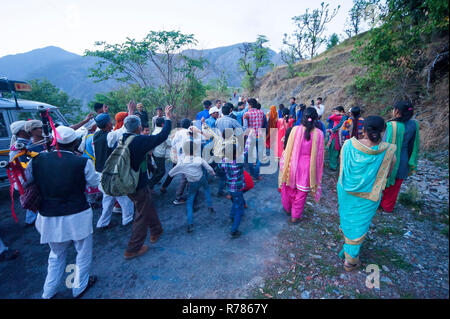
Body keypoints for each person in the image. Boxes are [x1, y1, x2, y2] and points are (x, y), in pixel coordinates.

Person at [25, 125, 100, 298]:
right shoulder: (82, 162)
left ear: (54, 141)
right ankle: (79, 287)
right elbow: (93, 183)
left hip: (49, 216)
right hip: (77, 215)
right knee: (83, 252)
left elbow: (26, 182)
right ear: (75, 143)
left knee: (56, 255)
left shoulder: (36, 161)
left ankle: (48, 292)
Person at [337, 116, 397, 271]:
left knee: (348, 220)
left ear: (363, 129)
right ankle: (350, 260)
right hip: (370, 195)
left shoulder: (349, 144)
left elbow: (342, 166)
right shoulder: (389, 150)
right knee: (360, 224)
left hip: (347, 191)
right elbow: (388, 173)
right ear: (383, 131)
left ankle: (349, 250)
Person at [121, 106, 172, 260]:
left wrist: (130, 114)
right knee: (141, 213)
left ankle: (156, 230)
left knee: (146, 203)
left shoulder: (122, 137)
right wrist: (168, 117)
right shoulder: (139, 141)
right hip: (138, 183)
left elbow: (128, 126)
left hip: (127, 181)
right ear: (138, 128)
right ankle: (132, 248)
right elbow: (162, 136)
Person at [278, 107, 324, 223]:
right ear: (315, 119)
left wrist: (284, 163)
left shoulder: (295, 130)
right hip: (308, 167)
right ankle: (295, 216)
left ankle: (288, 209)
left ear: (302, 117)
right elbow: (320, 156)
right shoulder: (319, 134)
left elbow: (288, 150)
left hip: (293, 164)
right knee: (301, 194)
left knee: (289, 188)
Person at [93, 113, 134, 228]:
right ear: (107, 124)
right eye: (110, 121)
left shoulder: (96, 135)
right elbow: (123, 129)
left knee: (108, 200)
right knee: (125, 199)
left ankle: (102, 223)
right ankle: (128, 220)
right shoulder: (109, 136)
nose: (112, 123)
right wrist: (130, 113)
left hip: (100, 173)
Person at [380, 101, 420, 213]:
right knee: (396, 186)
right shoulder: (414, 124)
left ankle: (379, 204)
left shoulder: (391, 125)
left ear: (397, 111)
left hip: (391, 158)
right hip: (404, 159)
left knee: (384, 181)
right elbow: (414, 143)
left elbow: (384, 143)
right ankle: (388, 207)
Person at [168, 139, 215, 233]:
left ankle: (190, 224)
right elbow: (208, 168)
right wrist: (213, 173)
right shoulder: (198, 159)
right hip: (201, 179)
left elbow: (170, 173)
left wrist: (181, 170)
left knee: (190, 202)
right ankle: (210, 206)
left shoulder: (181, 163)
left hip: (192, 182)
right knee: (207, 189)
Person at [220, 142, 245, 238]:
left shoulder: (224, 161)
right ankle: (234, 230)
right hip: (237, 188)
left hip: (229, 187)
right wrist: (249, 138)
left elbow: (220, 169)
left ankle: (231, 215)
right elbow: (246, 151)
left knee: (235, 202)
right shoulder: (239, 162)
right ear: (235, 154)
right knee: (238, 207)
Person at [243, 98, 265, 180]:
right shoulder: (261, 112)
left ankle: (252, 174)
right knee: (259, 157)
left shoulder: (246, 114)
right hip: (259, 136)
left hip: (250, 137)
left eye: (247, 105)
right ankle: (257, 175)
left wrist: (245, 119)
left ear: (250, 105)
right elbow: (262, 123)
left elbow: (245, 127)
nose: (247, 106)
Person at [148, 117, 171, 189]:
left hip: (155, 153)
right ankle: (150, 185)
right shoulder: (162, 132)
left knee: (159, 169)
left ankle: (151, 182)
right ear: (163, 124)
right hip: (159, 154)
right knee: (162, 172)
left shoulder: (154, 131)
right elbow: (169, 143)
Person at [327, 106, 345, 171]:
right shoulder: (342, 117)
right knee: (333, 150)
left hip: (336, 136)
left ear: (342, 112)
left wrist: (336, 114)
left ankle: (333, 166)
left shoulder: (340, 117)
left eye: (336, 111)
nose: (335, 113)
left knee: (334, 150)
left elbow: (331, 117)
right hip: (335, 135)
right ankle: (333, 165)